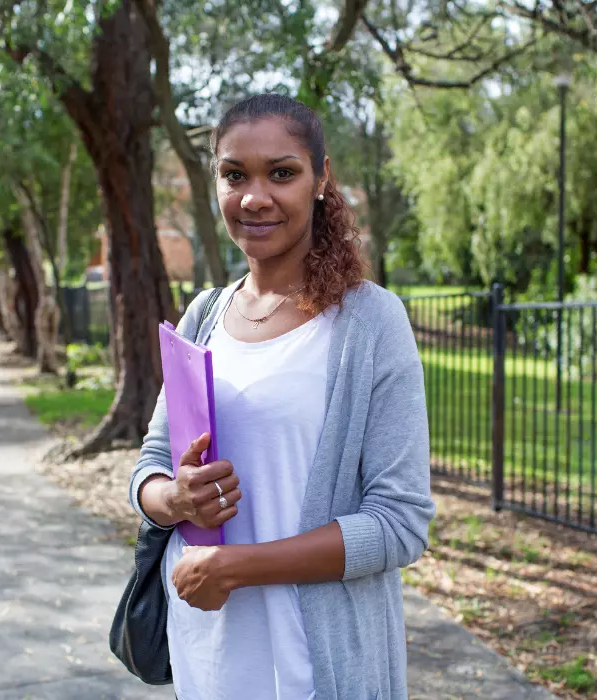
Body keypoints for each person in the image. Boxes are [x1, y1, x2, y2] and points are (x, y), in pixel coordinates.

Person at [129, 93, 435, 700]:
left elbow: (399, 524)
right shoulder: (204, 315)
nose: (255, 196)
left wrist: (237, 568)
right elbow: (150, 465)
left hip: (314, 660)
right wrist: (173, 497)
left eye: (282, 172)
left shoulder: (369, 322)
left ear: (320, 180)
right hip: (209, 648)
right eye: (234, 174)